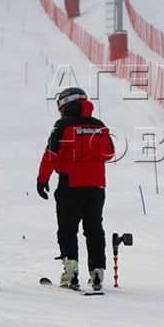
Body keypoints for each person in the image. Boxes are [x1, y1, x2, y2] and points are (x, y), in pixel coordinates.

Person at [35, 86, 115, 290]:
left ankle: (70, 270)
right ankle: (97, 271)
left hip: (70, 184)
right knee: (94, 228)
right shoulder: (99, 126)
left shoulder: (62, 125)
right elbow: (109, 153)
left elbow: (51, 155)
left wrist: (42, 179)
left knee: (68, 228)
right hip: (96, 187)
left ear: (64, 105)